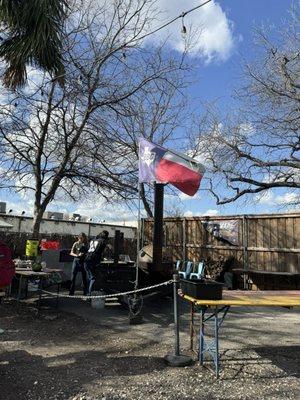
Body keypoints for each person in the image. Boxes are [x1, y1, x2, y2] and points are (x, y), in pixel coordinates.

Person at [84, 230, 109, 296]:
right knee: (93, 278)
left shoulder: (92, 240)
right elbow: (100, 252)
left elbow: (89, 249)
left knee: (89, 278)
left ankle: (86, 293)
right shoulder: (103, 241)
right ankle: (89, 295)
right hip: (92, 261)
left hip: (86, 260)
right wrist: (102, 258)